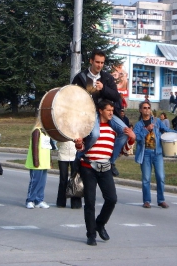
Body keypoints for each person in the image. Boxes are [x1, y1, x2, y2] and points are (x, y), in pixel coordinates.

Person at [74, 100, 135, 246]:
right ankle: (91, 235)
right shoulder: (90, 128)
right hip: (88, 167)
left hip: (105, 167)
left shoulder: (114, 129)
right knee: (90, 202)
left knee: (112, 199)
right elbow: (82, 148)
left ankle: (100, 224)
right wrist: (78, 144)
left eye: (112, 110)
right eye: (108, 110)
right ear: (100, 111)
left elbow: (122, 150)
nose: (111, 113)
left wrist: (132, 139)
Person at [72, 49, 127, 176]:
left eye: (102, 63)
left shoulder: (107, 77)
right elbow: (73, 97)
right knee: (95, 134)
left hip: (107, 112)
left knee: (125, 132)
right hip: (90, 113)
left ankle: (112, 162)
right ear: (91, 61)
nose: (100, 65)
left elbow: (116, 97)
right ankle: (80, 155)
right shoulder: (81, 77)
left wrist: (103, 89)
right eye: (97, 62)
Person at [133, 101, 177, 209]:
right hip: (145, 153)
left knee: (161, 177)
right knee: (146, 178)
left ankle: (161, 200)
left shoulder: (157, 121)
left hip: (157, 152)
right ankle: (146, 200)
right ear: (141, 110)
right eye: (144, 108)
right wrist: (146, 130)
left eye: (148, 108)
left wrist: (176, 132)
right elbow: (137, 138)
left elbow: (166, 130)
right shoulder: (138, 125)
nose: (147, 110)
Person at [25, 119, 51, 209]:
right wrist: (36, 160)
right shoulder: (37, 131)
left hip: (44, 161)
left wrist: (50, 161)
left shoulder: (47, 133)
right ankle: (30, 200)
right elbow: (35, 146)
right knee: (35, 181)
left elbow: (49, 147)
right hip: (37, 162)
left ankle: (39, 200)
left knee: (42, 182)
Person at [56, 141, 82, 209]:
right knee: (63, 179)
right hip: (63, 153)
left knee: (75, 180)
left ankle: (75, 203)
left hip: (75, 153)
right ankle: (61, 202)